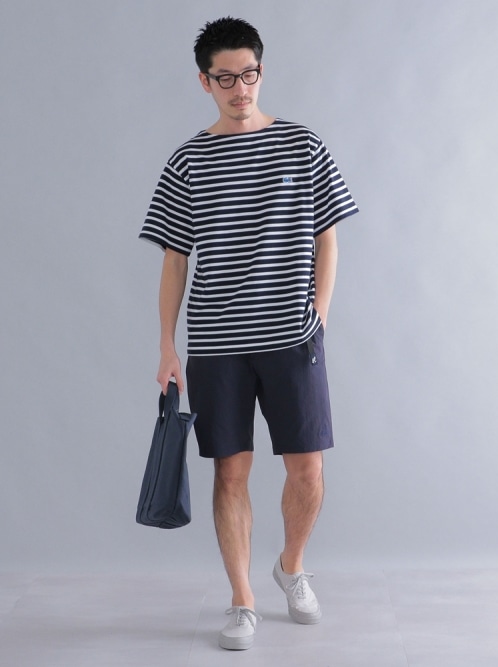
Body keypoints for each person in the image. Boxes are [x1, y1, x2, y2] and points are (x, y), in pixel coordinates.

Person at [139, 16, 358, 651]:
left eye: (250, 74)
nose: (241, 88)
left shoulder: (302, 145)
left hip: (293, 338)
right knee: (230, 473)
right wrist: (167, 345)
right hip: (216, 345)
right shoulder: (188, 160)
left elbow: (327, 235)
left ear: (262, 71)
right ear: (204, 82)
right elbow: (175, 258)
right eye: (226, 78)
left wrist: (319, 312)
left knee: (307, 469)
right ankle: (242, 600)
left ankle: (291, 567)